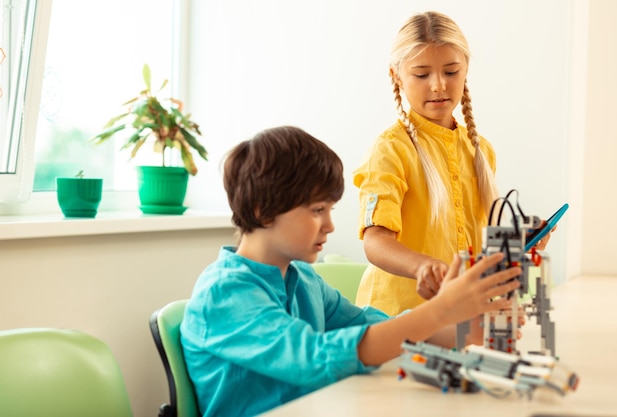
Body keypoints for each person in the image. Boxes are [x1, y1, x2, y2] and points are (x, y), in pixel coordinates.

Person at [180, 125, 521, 417]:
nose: (329, 225)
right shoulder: (224, 292)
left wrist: (465, 332)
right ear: (262, 210)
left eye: (329, 209)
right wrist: (440, 310)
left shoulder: (302, 278)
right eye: (317, 210)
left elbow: (368, 324)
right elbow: (315, 358)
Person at [353, 11, 552, 316]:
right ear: (397, 76)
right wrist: (424, 266)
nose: (438, 85)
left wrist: (519, 244)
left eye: (450, 72)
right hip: (395, 319)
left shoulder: (480, 149)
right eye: (421, 74)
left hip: (456, 319)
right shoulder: (391, 149)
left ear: (465, 70)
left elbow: (479, 247)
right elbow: (375, 243)